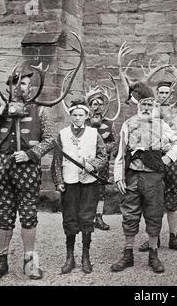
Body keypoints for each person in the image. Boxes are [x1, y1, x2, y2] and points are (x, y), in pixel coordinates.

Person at [0, 72, 55, 282]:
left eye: (25, 84)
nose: (21, 87)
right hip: (3, 167)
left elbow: (50, 139)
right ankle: (1, 262)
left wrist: (30, 154)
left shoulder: (40, 110)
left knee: (28, 214)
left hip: (27, 169)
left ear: (30, 88)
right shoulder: (2, 109)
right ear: (10, 88)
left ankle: (30, 263)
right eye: (17, 84)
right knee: (4, 214)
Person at [111, 82, 177, 273]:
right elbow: (120, 153)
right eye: (143, 104)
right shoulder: (128, 124)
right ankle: (128, 255)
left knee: (154, 215)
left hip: (153, 179)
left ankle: (153, 254)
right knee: (129, 215)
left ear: (154, 106)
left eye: (150, 105)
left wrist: (167, 158)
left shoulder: (161, 125)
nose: (146, 108)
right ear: (138, 105)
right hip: (132, 176)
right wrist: (119, 176)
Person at [51, 98, 107, 274]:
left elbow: (103, 156)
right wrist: (59, 181)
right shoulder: (63, 134)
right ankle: (70, 257)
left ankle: (85, 256)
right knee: (69, 218)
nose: (77, 118)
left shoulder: (93, 133)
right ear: (70, 116)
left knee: (86, 218)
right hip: (69, 183)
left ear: (86, 116)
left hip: (89, 183)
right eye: (74, 114)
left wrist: (94, 165)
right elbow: (57, 160)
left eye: (81, 115)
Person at [138, 81, 177, 253]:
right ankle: (154, 237)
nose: (163, 95)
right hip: (152, 161)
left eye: (167, 92)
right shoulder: (149, 110)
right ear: (156, 94)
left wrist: (176, 146)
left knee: (172, 199)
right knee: (152, 198)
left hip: (172, 162)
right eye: (160, 92)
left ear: (172, 94)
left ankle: (174, 237)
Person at [85, 86, 117, 231]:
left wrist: (102, 149)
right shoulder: (83, 122)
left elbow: (114, 143)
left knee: (100, 191)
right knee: (85, 189)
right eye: (94, 104)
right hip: (85, 164)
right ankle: (86, 217)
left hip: (102, 164)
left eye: (100, 104)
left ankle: (98, 217)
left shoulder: (109, 124)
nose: (97, 108)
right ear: (90, 106)